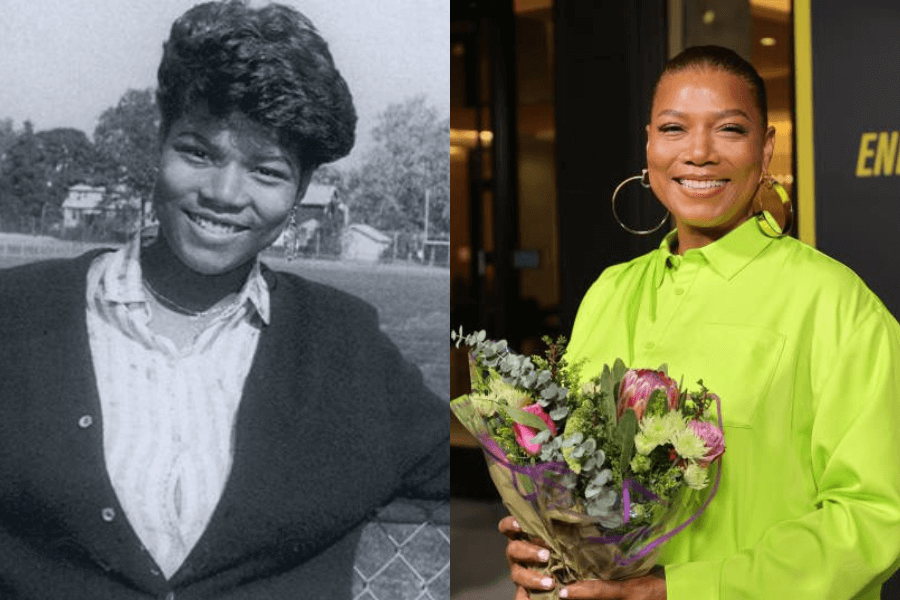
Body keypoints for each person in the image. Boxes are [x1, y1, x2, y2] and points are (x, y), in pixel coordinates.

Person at [0, 2, 448, 598]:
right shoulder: (18, 315)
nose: (224, 194)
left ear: (301, 191)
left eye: (266, 171)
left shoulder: (346, 347)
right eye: (199, 152)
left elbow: (505, 465)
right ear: (158, 146)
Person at [501, 45, 900, 600]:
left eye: (729, 130)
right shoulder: (610, 293)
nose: (698, 153)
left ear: (766, 150)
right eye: (673, 128)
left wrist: (679, 590)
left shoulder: (835, 303)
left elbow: (874, 516)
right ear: (649, 145)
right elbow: (566, 468)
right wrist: (547, 546)